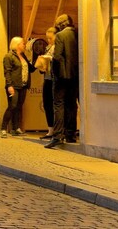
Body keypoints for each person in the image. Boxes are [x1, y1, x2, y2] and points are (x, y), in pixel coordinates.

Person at [46, 14, 79, 149]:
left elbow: (58, 57)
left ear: (61, 24)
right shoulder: (77, 34)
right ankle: (70, 134)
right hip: (75, 75)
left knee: (58, 104)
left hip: (61, 76)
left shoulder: (60, 36)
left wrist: (53, 71)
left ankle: (57, 135)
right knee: (72, 104)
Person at [0, 37, 34, 137]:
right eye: (23, 43)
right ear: (17, 44)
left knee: (19, 107)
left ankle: (16, 128)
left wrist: (35, 59)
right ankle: (3, 128)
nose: (24, 45)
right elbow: (7, 72)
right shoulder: (9, 56)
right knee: (12, 106)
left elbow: (31, 69)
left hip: (23, 85)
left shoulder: (23, 55)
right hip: (13, 85)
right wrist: (9, 85)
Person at [35, 28, 57, 140]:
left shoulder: (57, 47)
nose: (48, 40)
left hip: (54, 79)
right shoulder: (48, 48)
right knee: (47, 104)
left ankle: (55, 130)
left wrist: (49, 58)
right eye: (47, 38)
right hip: (47, 78)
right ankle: (50, 129)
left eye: (50, 38)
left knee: (53, 105)